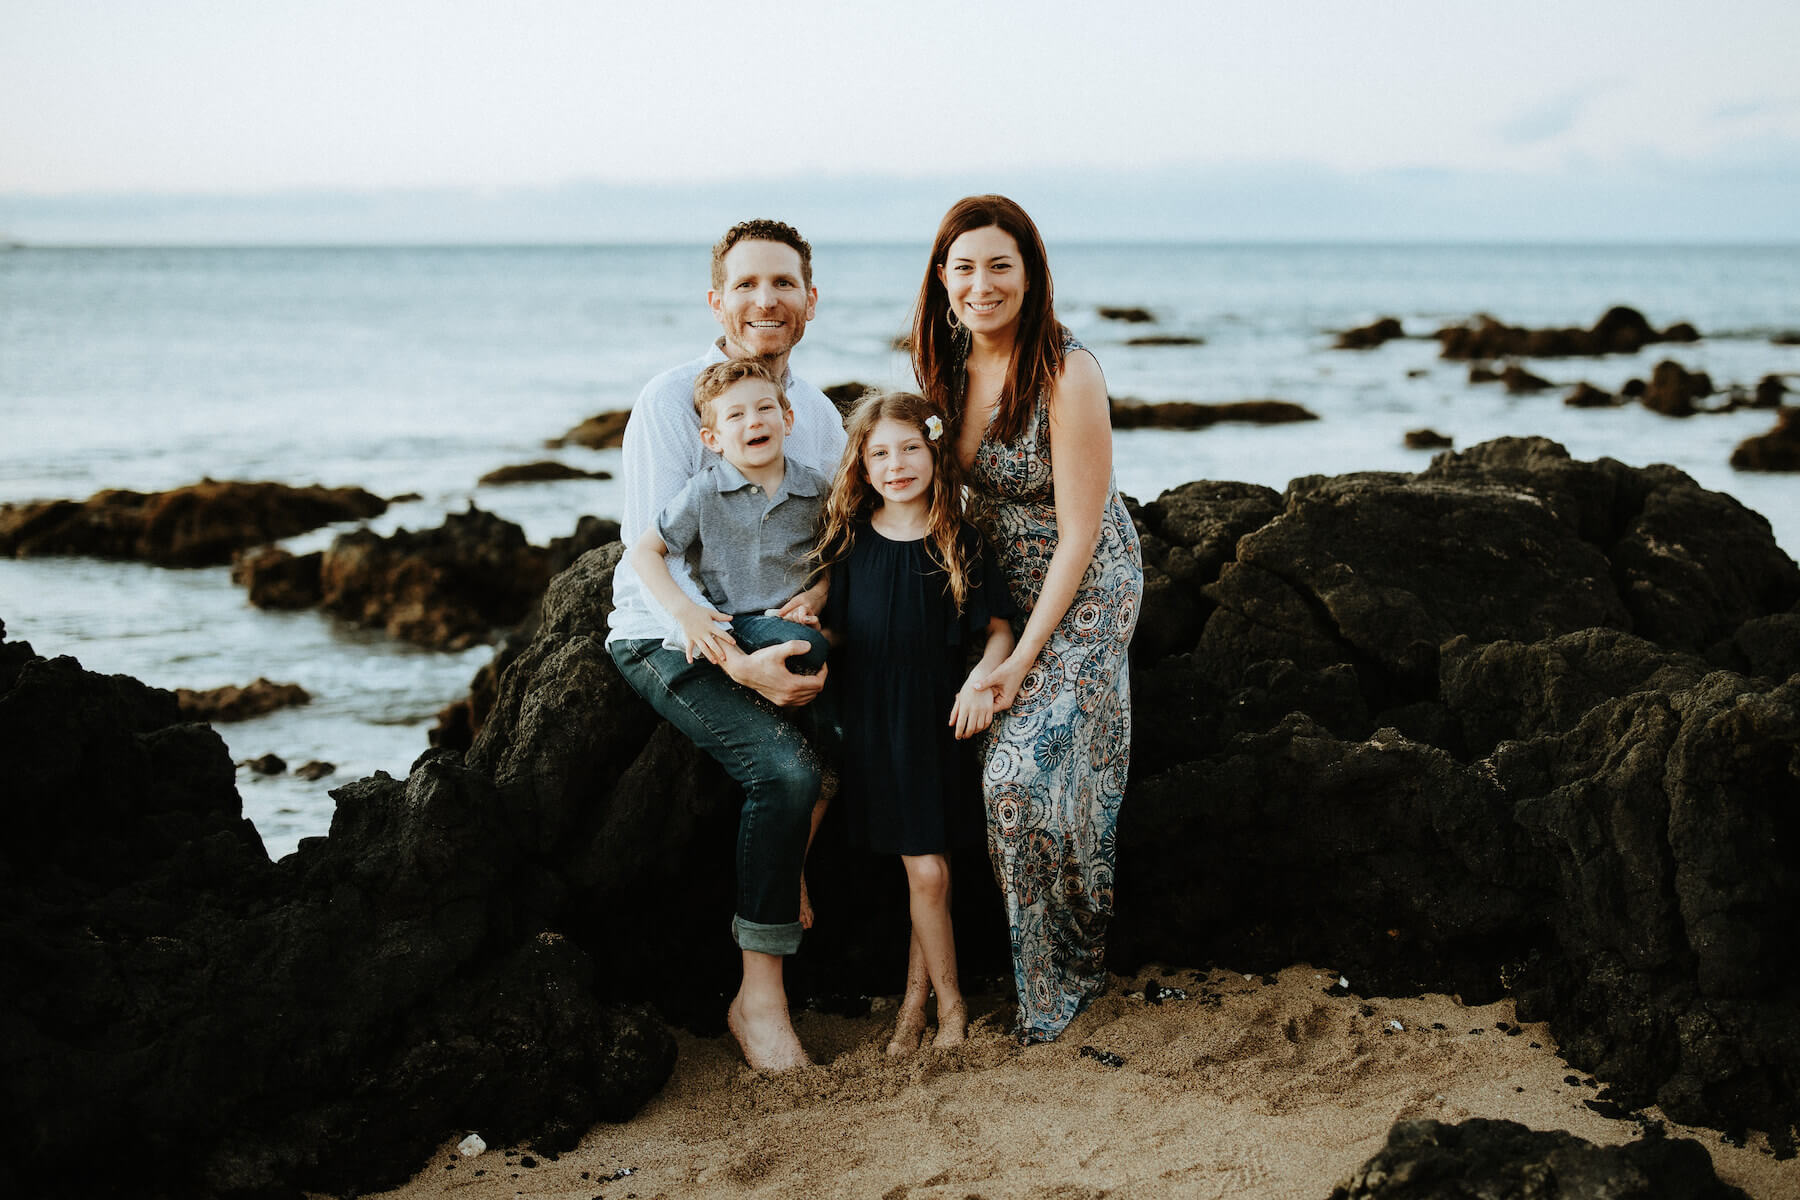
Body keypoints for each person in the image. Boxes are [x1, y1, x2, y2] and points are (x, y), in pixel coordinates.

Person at [607, 219, 847, 1071]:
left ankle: (789, 859)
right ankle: (760, 1002)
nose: (765, 301)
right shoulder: (674, 401)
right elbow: (650, 557)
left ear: (810, 302)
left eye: (783, 283)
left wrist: (816, 599)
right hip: (668, 632)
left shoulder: (816, 417)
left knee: (867, 723)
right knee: (785, 772)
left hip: (768, 627)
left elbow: (834, 545)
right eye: (745, 284)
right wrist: (736, 661)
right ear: (717, 300)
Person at [910, 194, 1144, 1044]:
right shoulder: (939, 370)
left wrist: (1016, 664)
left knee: (1015, 776)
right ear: (943, 279)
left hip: (1087, 586)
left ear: (1031, 274)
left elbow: (1081, 533)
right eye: (965, 267)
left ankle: (1061, 984)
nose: (983, 283)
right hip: (1001, 587)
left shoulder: (1066, 372)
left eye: (1000, 265)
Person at [814, 391, 1015, 1054]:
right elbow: (837, 632)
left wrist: (981, 682)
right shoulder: (848, 541)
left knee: (929, 873)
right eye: (879, 453)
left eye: (910, 448)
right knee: (925, 873)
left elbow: (997, 632)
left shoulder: (962, 539)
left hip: (940, 722)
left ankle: (926, 1006)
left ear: (933, 452)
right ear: (861, 466)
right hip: (873, 724)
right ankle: (936, 1005)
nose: (896, 464)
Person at [627, 357, 829, 675]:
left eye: (765, 408)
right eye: (735, 415)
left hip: (796, 617)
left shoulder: (815, 487)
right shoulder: (705, 491)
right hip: (733, 621)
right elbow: (644, 551)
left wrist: (817, 594)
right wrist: (686, 612)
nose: (754, 422)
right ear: (712, 439)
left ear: (787, 420)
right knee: (807, 645)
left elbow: (839, 550)